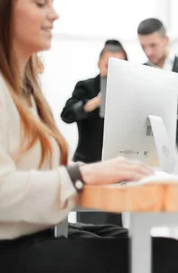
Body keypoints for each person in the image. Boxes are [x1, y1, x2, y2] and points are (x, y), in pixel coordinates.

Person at [0, 0, 178, 273]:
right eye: (40, 3)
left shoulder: (25, 90)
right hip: (3, 249)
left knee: (150, 244)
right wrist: (82, 175)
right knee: (169, 257)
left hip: (42, 229)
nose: (54, 14)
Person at [60, 39, 128, 226]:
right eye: (108, 65)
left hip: (116, 168)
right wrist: (94, 102)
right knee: (89, 223)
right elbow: (66, 114)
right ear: (99, 64)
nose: (113, 70)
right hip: (88, 164)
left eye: (119, 65)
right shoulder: (86, 86)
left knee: (114, 226)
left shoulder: (128, 89)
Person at [138, 18, 178, 148]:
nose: (148, 52)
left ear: (166, 40)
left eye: (153, 45)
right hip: (148, 147)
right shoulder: (138, 72)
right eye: (143, 46)